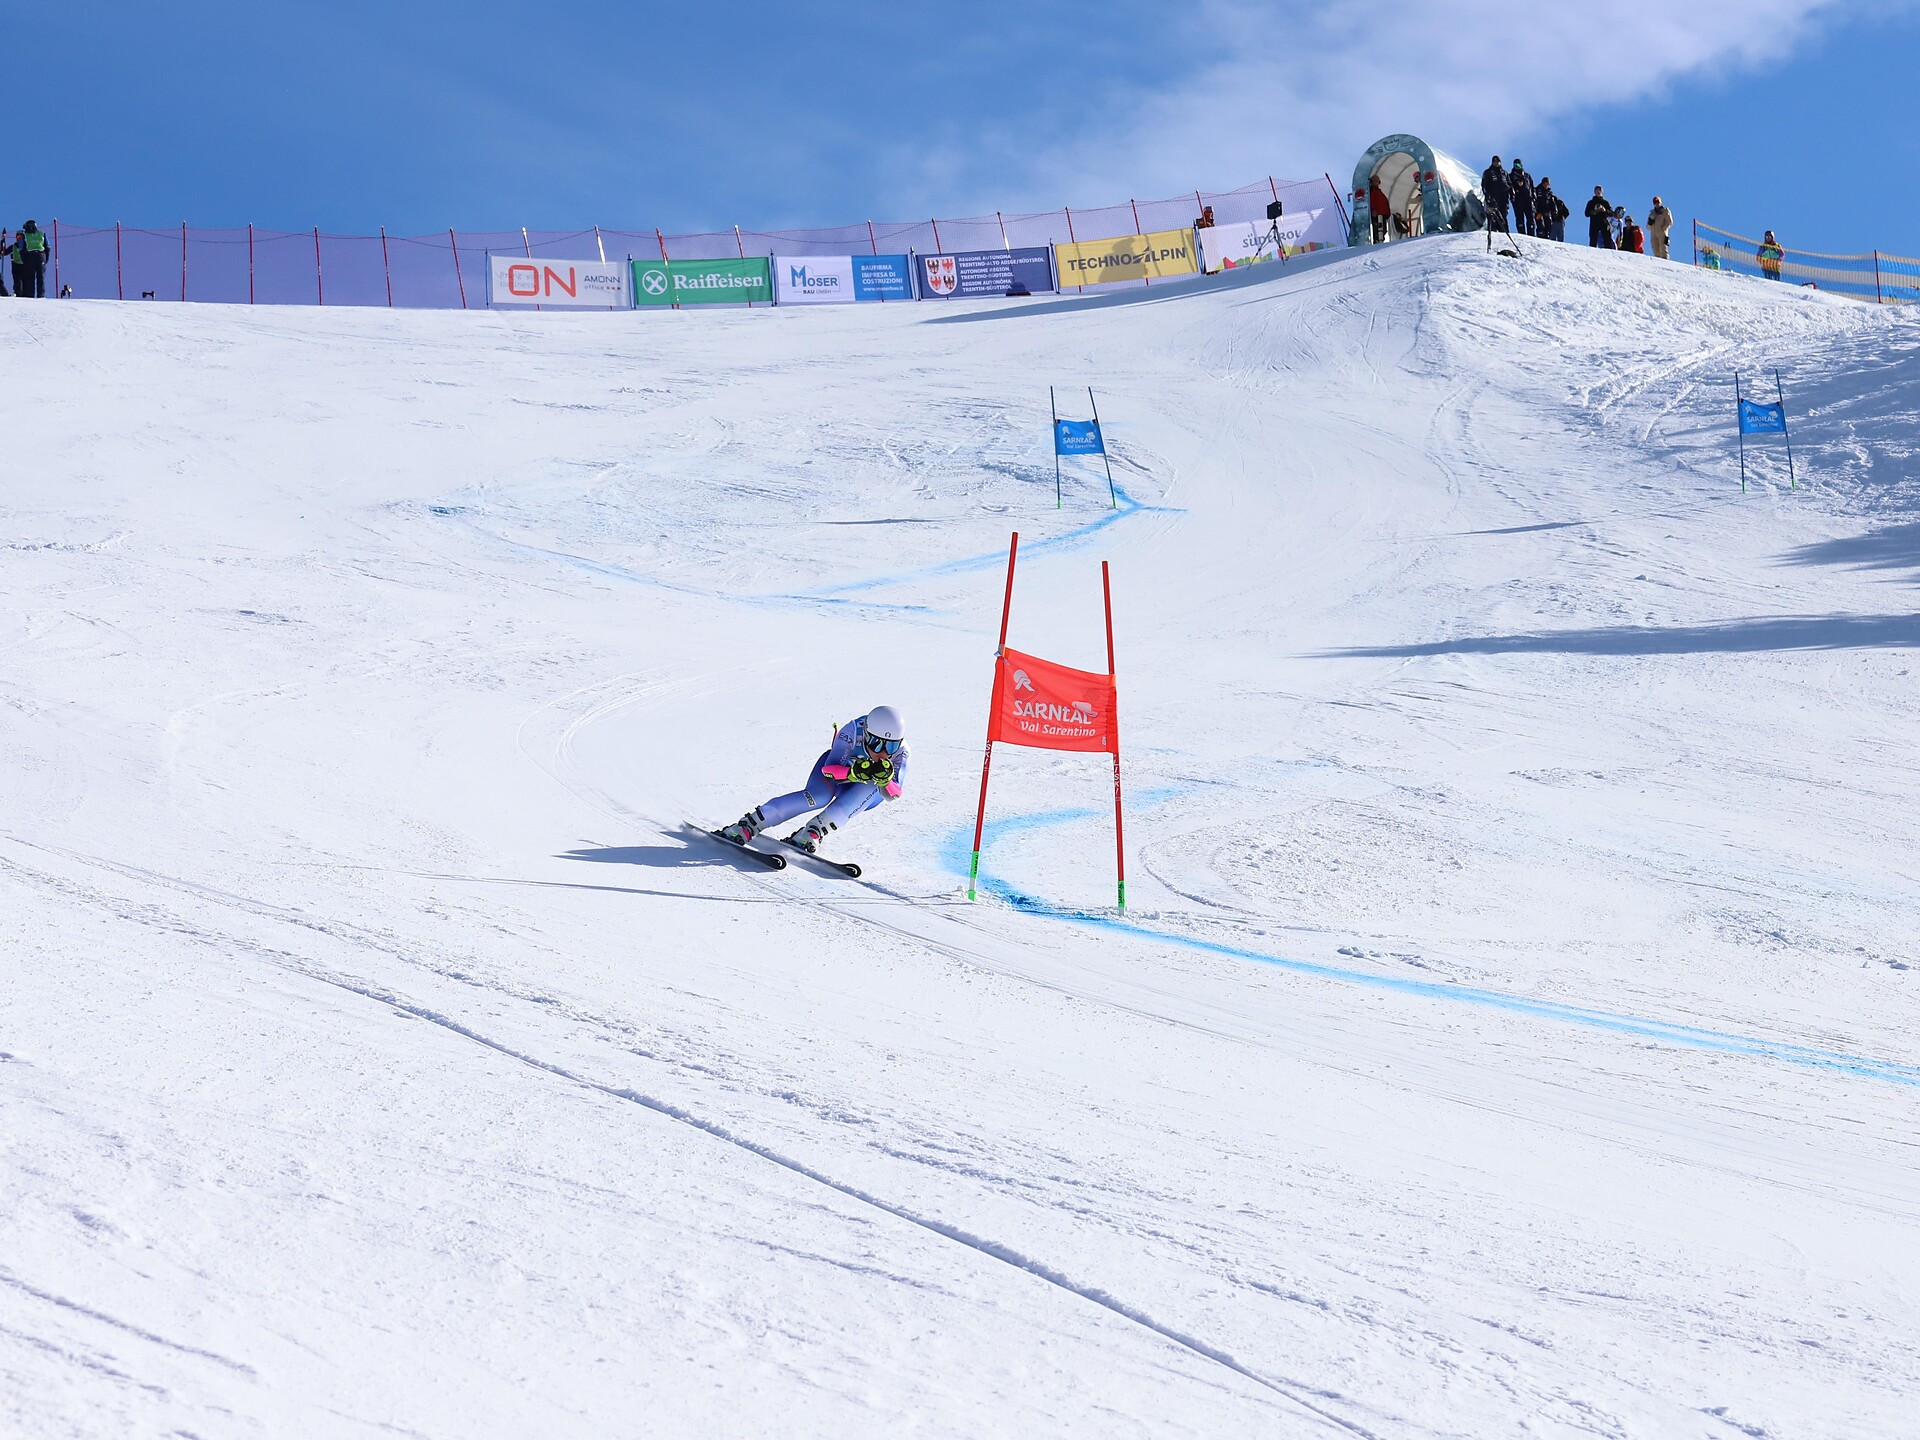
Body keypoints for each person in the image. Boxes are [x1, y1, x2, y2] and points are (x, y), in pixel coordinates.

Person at [719, 706, 909, 855]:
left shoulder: (902, 752)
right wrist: (853, 773)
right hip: (835, 773)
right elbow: (829, 770)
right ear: (866, 733)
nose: (882, 753)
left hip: (862, 794)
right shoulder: (852, 731)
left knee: (872, 784)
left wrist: (885, 781)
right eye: (876, 743)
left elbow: (894, 794)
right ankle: (750, 824)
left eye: (891, 746)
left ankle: (814, 831)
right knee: (818, 796)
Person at [1481, 156, 1511, 234]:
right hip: (1493, 196)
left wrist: (1511, 193)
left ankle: (1504, 232)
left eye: (1498, 161)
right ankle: (1493, 232)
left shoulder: (1504, 172)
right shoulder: (1488, 172)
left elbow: (1509, 184)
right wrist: (1488, 196)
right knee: (1494, 215)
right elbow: (1484, 185)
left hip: (1504, 197)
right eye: (1495, 162)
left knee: (1503, 215)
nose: (1497, 163)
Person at [19, 221, 49, 297]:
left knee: (30, 277)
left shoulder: (24, 235)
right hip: (41, 256)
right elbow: (48, 247)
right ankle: (41, 295)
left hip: (30, 257)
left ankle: (30, 296)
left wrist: (24, 260)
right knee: (41, 277)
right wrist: (46, 259)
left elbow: (21, 248)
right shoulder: (42, 234)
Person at [1508, 159, 1536, 237]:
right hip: (1518, 200)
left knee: (1530, 217)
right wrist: (1516, 186)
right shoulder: (1511, 176)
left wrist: (1533, 197)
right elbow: (1509, 187)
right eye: (1515, 165)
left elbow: (1532, 187)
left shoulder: (1527, 175)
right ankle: (1522, 234)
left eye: (1518, 165)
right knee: (1519, 218)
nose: (1517, 167)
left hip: (1528, 199)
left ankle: (1531, 234)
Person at [1535, 178, 1568, 242]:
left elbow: (1552, 203)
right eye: (1545, 183)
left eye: (1548, 184)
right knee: (1540, 227)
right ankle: (1540, 239)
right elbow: (1535, 201)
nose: (1546, 185)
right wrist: (1537, 211)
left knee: (1548, 227)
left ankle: (1547, 239)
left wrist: (1554, 211)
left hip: (1547, 212)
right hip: (1539, 212)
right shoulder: (1537, 190)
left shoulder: (1549, 193)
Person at [1368, 175, 1390, 243]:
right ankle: (1377, 242)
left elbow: (1385, 202)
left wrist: (1387, 213)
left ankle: (1380, 241)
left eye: (1377, 180)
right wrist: (1373, 210)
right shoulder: (1372, 191)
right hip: (1377, 213)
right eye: (1375, 180)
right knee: (1377, 230)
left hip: (1382, 213)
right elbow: (1372, 201)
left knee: (1383, 229)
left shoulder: (1378, 191)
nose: (1376, 182)